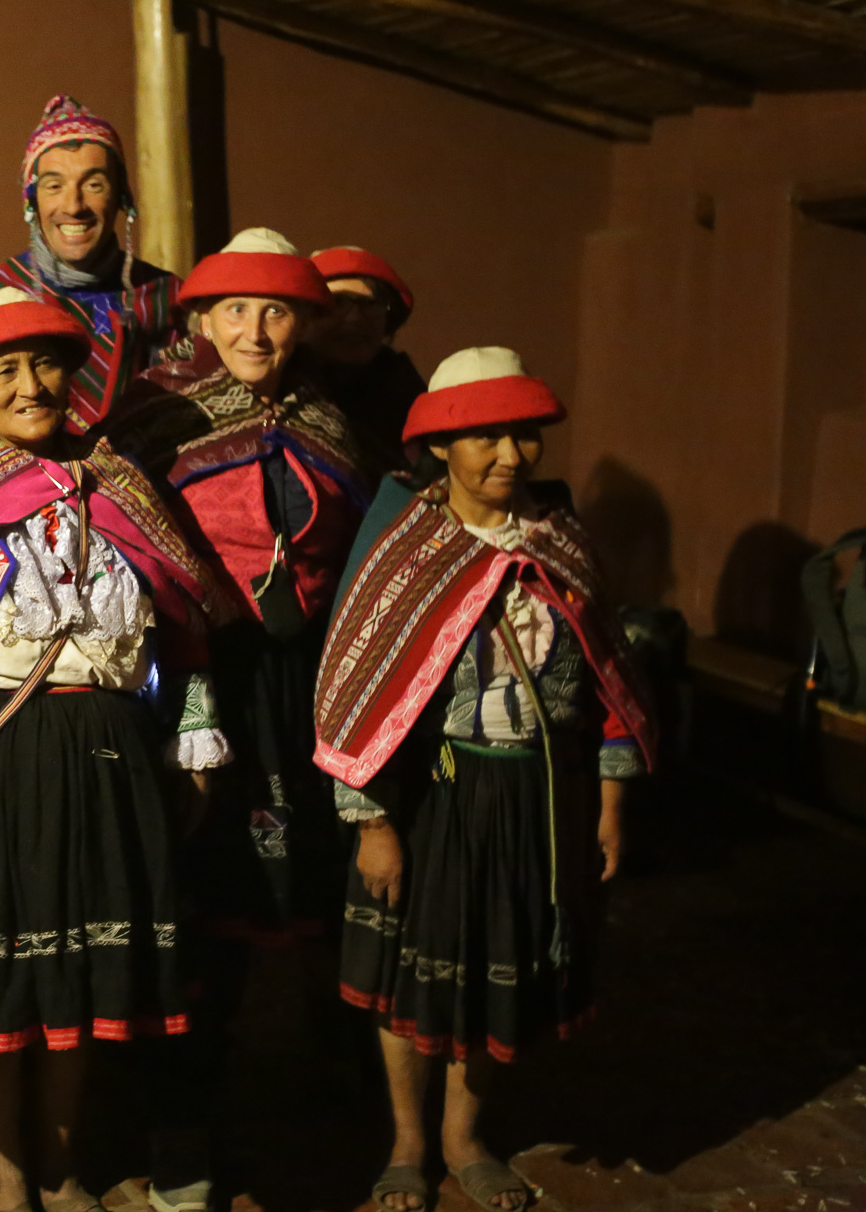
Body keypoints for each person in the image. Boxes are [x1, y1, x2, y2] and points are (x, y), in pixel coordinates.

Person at [0, 287, 227, 1212]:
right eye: (5, 371)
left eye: (46, 365)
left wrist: (191, 738)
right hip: (6, 761)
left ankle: (64, 1170)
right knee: (6, 983)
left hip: (114, 757)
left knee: (83, 977)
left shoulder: (121, 483)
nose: (31, 386)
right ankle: (6, 1177)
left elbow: (182, 620)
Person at [313, 348, 655, 1212]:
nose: (509, 454)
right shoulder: (407, 550)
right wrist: (372, 822)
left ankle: (466, 1139)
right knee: (411, 976)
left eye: (523, 434)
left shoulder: (561, 544)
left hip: (540, 796)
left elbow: (609, 679)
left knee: (496, 965)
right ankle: (406, 1143)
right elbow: (355, 687)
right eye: (485, 436)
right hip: (436, 799)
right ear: (442, 446)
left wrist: (610, 801)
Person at [107, 228, 374, 944]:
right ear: (202, 319)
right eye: (235, 311)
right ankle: (201, 1037)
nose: (254, 333)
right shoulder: (157, 410)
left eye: (277, 313)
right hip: (198, 662)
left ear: (305, 324)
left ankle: (319, 1021)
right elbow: (118, 531)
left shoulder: (329, 420)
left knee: (308, 855)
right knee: (203, 858)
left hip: (301, 669)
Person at [0, 95, 187, 434]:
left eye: (94, 185)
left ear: (121, 197)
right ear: (32, 201)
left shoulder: (169, 298)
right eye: (54, 186)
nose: (74, 205)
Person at [306, 246, 426, 476]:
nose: (355, 319)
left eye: (370, 305)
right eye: (338, 303)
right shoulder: (278, 391)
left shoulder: (410, 400)